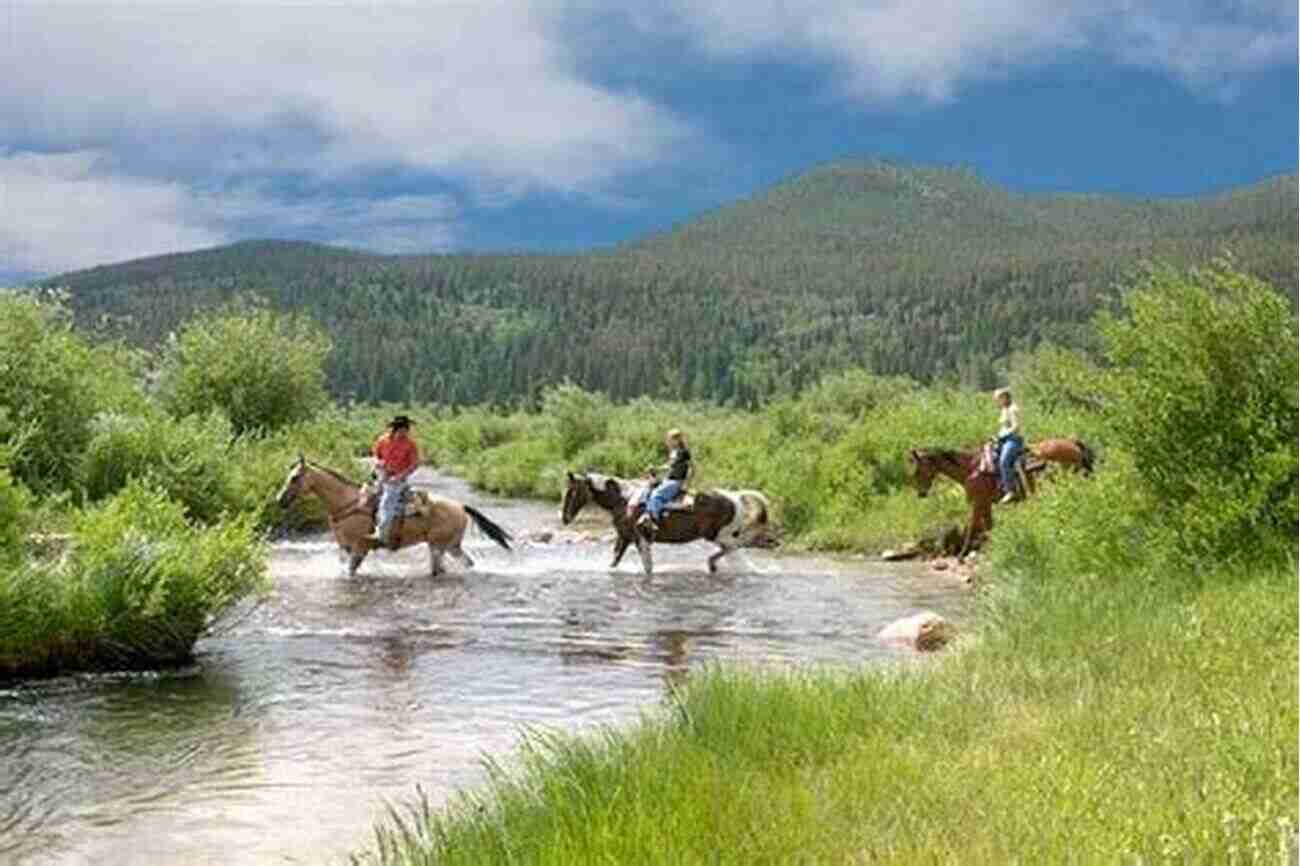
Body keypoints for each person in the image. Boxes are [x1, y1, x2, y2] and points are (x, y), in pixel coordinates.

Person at [368, 414, 420, 544]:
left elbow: (414, 464)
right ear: (395, 429)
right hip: (381, 474)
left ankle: (381, 534)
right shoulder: (382, 440)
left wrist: (399, 476)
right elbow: (375, 456)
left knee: (387, 502)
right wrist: (378, 463)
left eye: (406, 430)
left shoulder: (410, 444)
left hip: (397, 479)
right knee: (362, 496)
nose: (405, 433)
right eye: (403, 430)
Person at [639, 428, 691, 532]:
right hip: (669, 479)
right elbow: (669, 466)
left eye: (669, 439)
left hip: (676, 481)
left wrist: (686, 483)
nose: (667, 441)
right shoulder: (674, 452)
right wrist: (656, 469)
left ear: (676, 440)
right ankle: (645, 513)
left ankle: (652, 520)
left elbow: (691, 468)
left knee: (656, 495)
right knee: (648, 488)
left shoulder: (683, 452)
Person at [993, 387, 1024, 504]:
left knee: (1004, 462)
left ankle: (1010, 491)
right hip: (1004, 439)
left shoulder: (1013, 409)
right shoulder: (1004, 410)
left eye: (998, 399)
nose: (997, 402)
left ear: (1005, 397)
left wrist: (1003, 435)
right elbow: (1004, 427)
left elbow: (1016, 427)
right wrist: (997, 436)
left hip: (1013, 440)